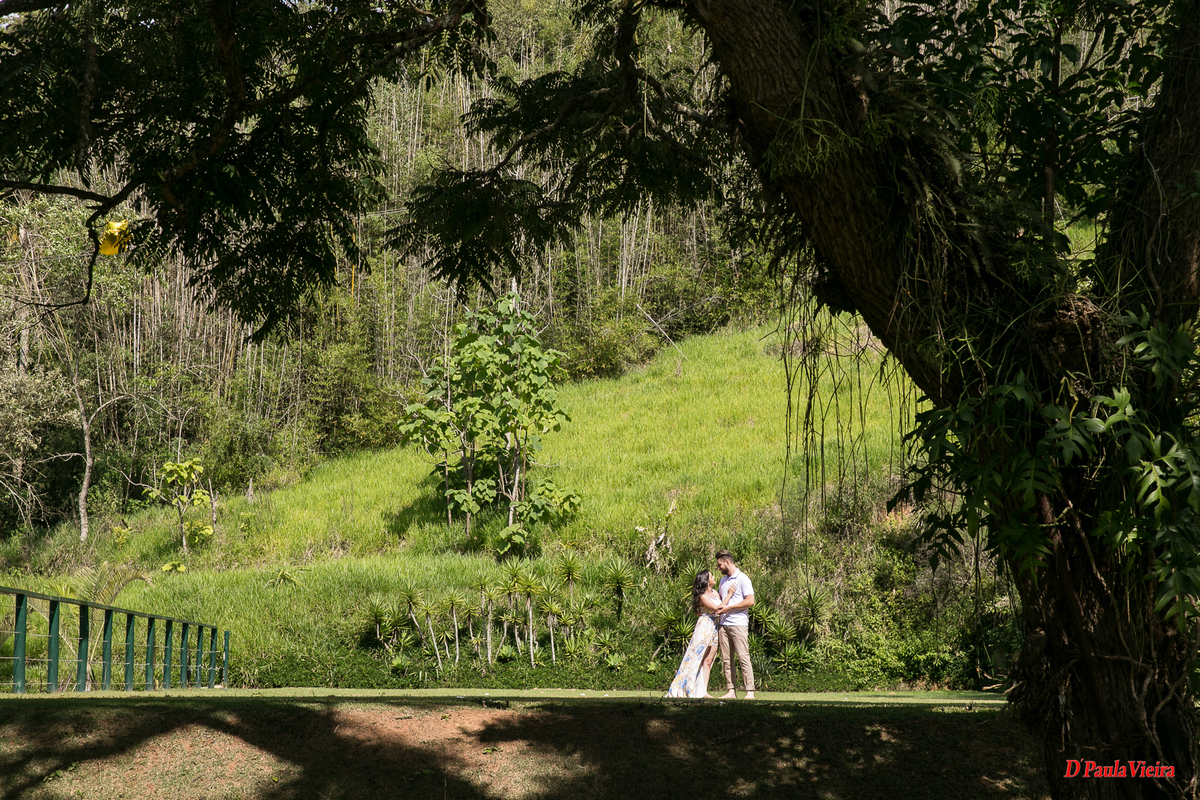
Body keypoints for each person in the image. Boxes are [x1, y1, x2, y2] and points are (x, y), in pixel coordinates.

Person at [665, 569, 726, 698]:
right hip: (704, 626)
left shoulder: (715, 593)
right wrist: (730, 595)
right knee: (696, 656)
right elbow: (718, 609)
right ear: (706, 581)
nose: (714, 577)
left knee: (709, 660)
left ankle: (703, 691)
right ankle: (688, 686)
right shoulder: (703, 596)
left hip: (715, 626)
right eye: (711, 576)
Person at [715, 549, 756, 699]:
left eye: (719, 564)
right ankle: (731, 690)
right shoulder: (722, 581)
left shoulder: (743, 579)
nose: (718, 568)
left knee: (743, 657)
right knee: (727, 659)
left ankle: (749, 691)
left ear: (727, 562)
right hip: (723, 625)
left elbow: (750, 601)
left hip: (738, 624)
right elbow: (721, 601)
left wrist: (729, 608)